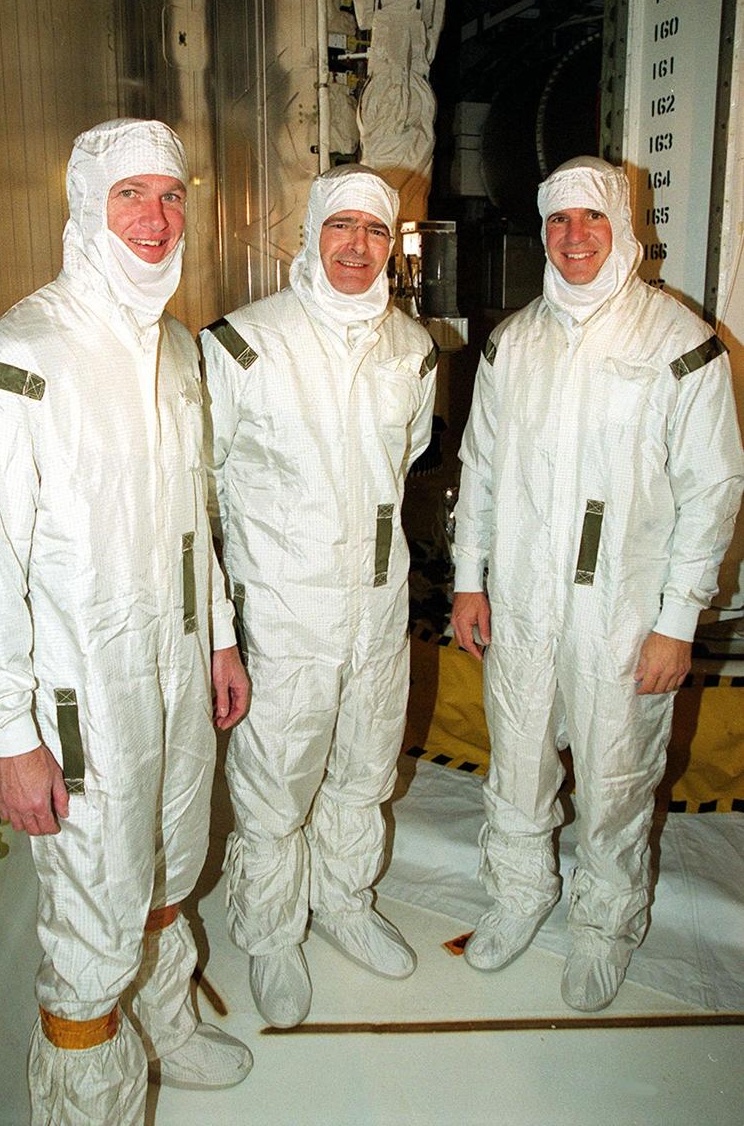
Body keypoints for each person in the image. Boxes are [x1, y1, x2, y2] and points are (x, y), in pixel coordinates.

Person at [0, 119, 253, 1126]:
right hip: (81, 699)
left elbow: (190, 514)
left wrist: (215, 634)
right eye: (132, 195)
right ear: (87, 205)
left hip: (170, 673)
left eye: (170, 196)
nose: (156, 218)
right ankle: (90, 1101)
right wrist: (10, 732)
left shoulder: (171, 347)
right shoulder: (20, 359)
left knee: (168, 855)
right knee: (92, 911)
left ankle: (164, 1016)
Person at [451, 156, 744, 1011]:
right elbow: (483, 467)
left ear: (623, 227)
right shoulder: (516, 341)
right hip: (526, 606)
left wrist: (677, 621)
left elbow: (712, 490)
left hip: (624, 611)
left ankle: (607, 922)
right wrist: (471, 580)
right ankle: (519, 893)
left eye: (592, 219)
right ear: (543, 232)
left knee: (616, 779)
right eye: (558, 221)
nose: (574, 238)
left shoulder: (678, 344)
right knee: (517, 759)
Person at [200, 164, 437, 1028]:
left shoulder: (410, 351)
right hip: (282, 612)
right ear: (309, 232)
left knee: (366, 768)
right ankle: (269, 932)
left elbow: (400, 463)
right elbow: (205, 493)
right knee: (275, 781)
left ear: (391, 245)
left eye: (375, 232)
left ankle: (342, 903)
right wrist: (224, 628)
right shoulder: (242, 345)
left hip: (375, 606)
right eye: (342, 227)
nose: (356, 247)